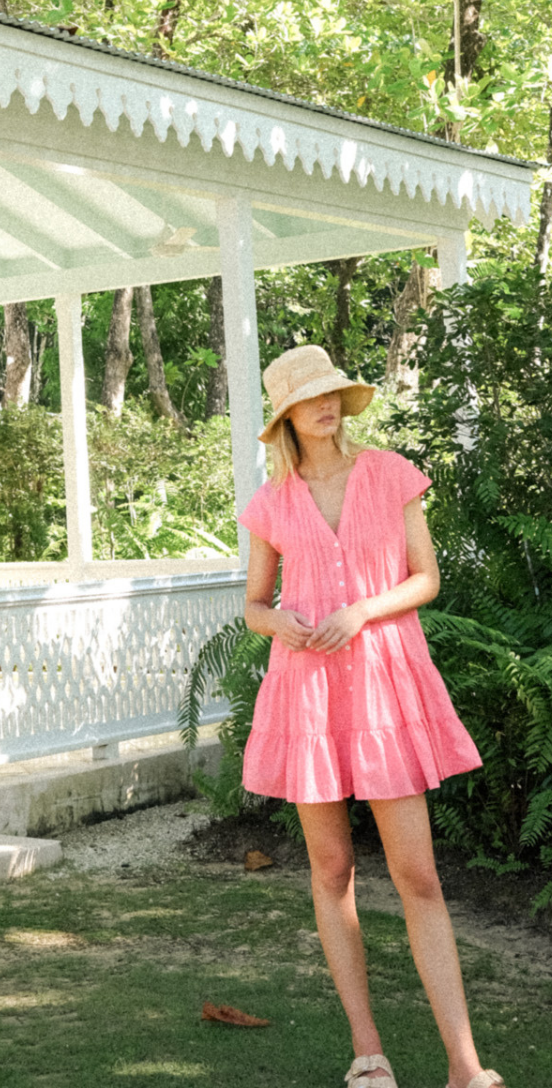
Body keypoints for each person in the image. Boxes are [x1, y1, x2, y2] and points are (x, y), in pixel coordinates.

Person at [239, 343, 502, 1088]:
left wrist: (360, 611)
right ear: (287, 414)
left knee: (418, 875)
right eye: (313, 398)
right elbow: (254, 606)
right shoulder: (271, 504)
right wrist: (279, 623)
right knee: (332, 870)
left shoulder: (388, 474)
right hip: (308, 695)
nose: (330, 406)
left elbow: (427, 578)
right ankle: (368, 1054)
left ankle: (464, 1065)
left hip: (387, 685)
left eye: (336, 394)